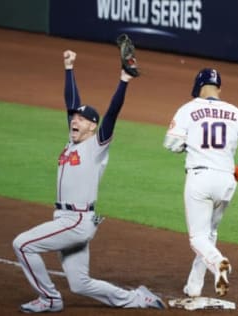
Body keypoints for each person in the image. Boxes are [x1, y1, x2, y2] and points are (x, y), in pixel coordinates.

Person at [12, 50, 166, 313]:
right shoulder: (71, 142)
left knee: (22, 244)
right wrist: (68, 67)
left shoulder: (96, 146)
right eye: (74, 118)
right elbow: (71, 102)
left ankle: (50, 299)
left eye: (82, 119)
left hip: (75, 222)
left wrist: (124, 80)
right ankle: (138, 298)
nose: (75, 120)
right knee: (80, 283)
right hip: (66, 218)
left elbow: (113, 113)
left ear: (93, 127)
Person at [163, 68, 238, 298]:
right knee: (210, 233)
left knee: (197, 237)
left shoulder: (189, 109)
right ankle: (194, 286)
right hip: (227, 180)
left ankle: (218, 262)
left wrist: (188, 145)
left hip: (200, 178)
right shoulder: (235, 112)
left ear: (198, 87)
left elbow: (170, 144)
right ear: (219, 88)